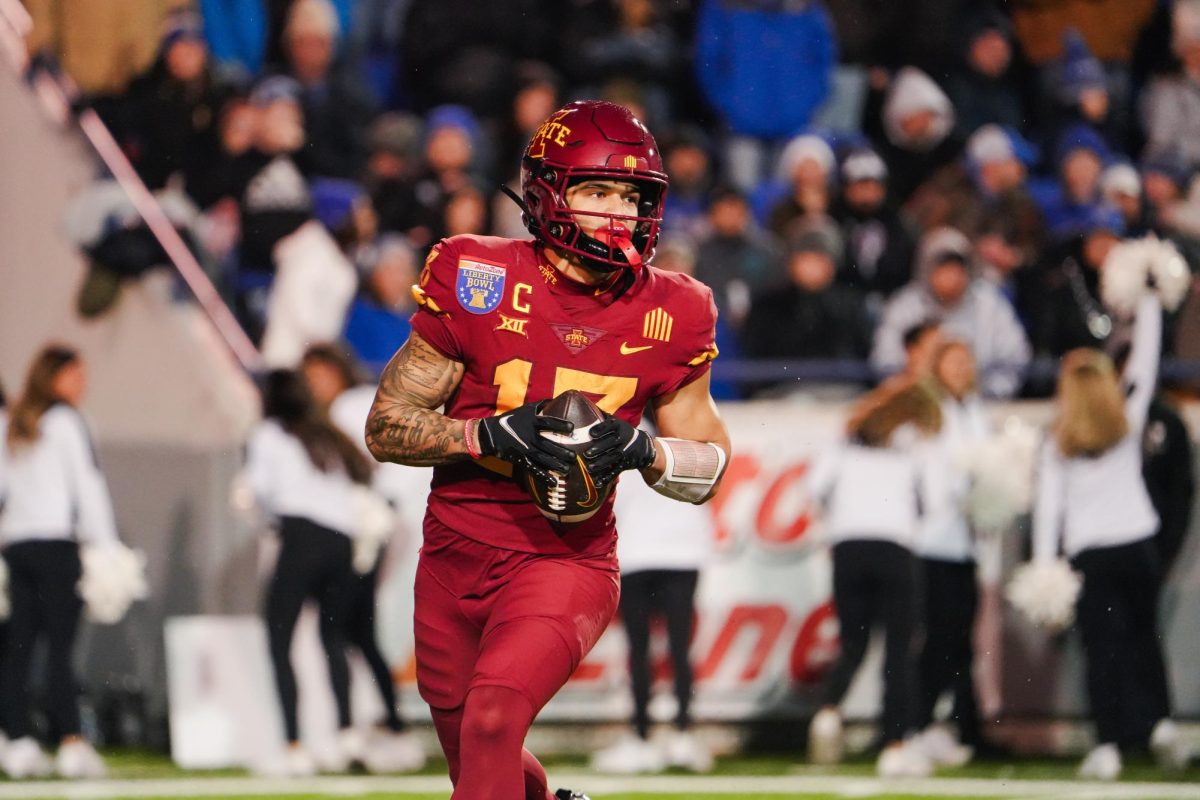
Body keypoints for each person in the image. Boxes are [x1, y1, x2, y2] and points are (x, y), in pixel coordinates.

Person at [365, 99, 732, 800]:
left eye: (632, 196)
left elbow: (710, 465)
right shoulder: (479, 274)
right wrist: (488, 434)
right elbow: (387, 425)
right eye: (597, 190)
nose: (618, 212)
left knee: (493, 721)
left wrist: (641, 450)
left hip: (564, 560)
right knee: (477, 755)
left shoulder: (677, 310)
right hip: (451, 559)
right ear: (547, 192)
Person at [1029, 292, 1189, 780]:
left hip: (1092, 555)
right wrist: (1147, 301)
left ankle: (1110, 744)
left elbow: (1047, 512)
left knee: (1104, 650)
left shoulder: (1057, 443)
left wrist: (1043, 569)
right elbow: (1146, 357)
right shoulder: (1128, 420)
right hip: (1138, 547)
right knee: (1145, 639)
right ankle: (1160, 725)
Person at [804, 378, 942, 778]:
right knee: (899, 650)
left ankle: (828, 712)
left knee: (853, 643)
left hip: (848, 549)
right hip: (895, 549)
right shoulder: (914, 444)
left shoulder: (844, 442)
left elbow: (816, 488)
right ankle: (895, 745)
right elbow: (931, 501)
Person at [299, 346, 428, 773]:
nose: (315, 383)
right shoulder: (338, 409)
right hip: (365, 527)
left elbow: (372, 463)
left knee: (336, 629)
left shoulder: (351, 406)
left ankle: (350, 731)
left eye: (320, 373)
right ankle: (390, 724)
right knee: (359, 633)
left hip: (362, 531)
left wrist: (377, 510)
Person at [244, 369, 372, 776]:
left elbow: (261, 490)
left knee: (278, 638)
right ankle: (348, 735)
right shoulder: (325, 434)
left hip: (300, 538)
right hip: (341, 541)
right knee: (333, 639)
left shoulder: (268, 434)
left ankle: (294, 743)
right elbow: (362, 475)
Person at [0, 346, 113, 779]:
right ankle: (70, 740)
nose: (82, 385)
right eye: (76, 376)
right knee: (60, 648)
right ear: (55, 377)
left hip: (18, 546)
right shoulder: (67, 421)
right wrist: (104, 546)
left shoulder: (15, 420)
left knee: (19, 646)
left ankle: (19, 739)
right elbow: (88, 484)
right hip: (55, 546)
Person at [590, 419, 716, 775]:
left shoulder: (620, 432)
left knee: (640, 648)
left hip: (640, 552)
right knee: (677, 647)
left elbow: (610, 496)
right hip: (683, 551)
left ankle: (643, 737)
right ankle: (682, 735)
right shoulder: (692, 428)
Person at [912, 340, 990, 765]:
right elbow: (932, 480)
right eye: (953, 361)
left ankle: (959, 727)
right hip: (932, 542)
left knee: (961, 641)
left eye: (966, 360)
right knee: (940, 639)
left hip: (965, 543)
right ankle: (922, 724)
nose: (962, 368)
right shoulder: (930, 412)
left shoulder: (975, 411)